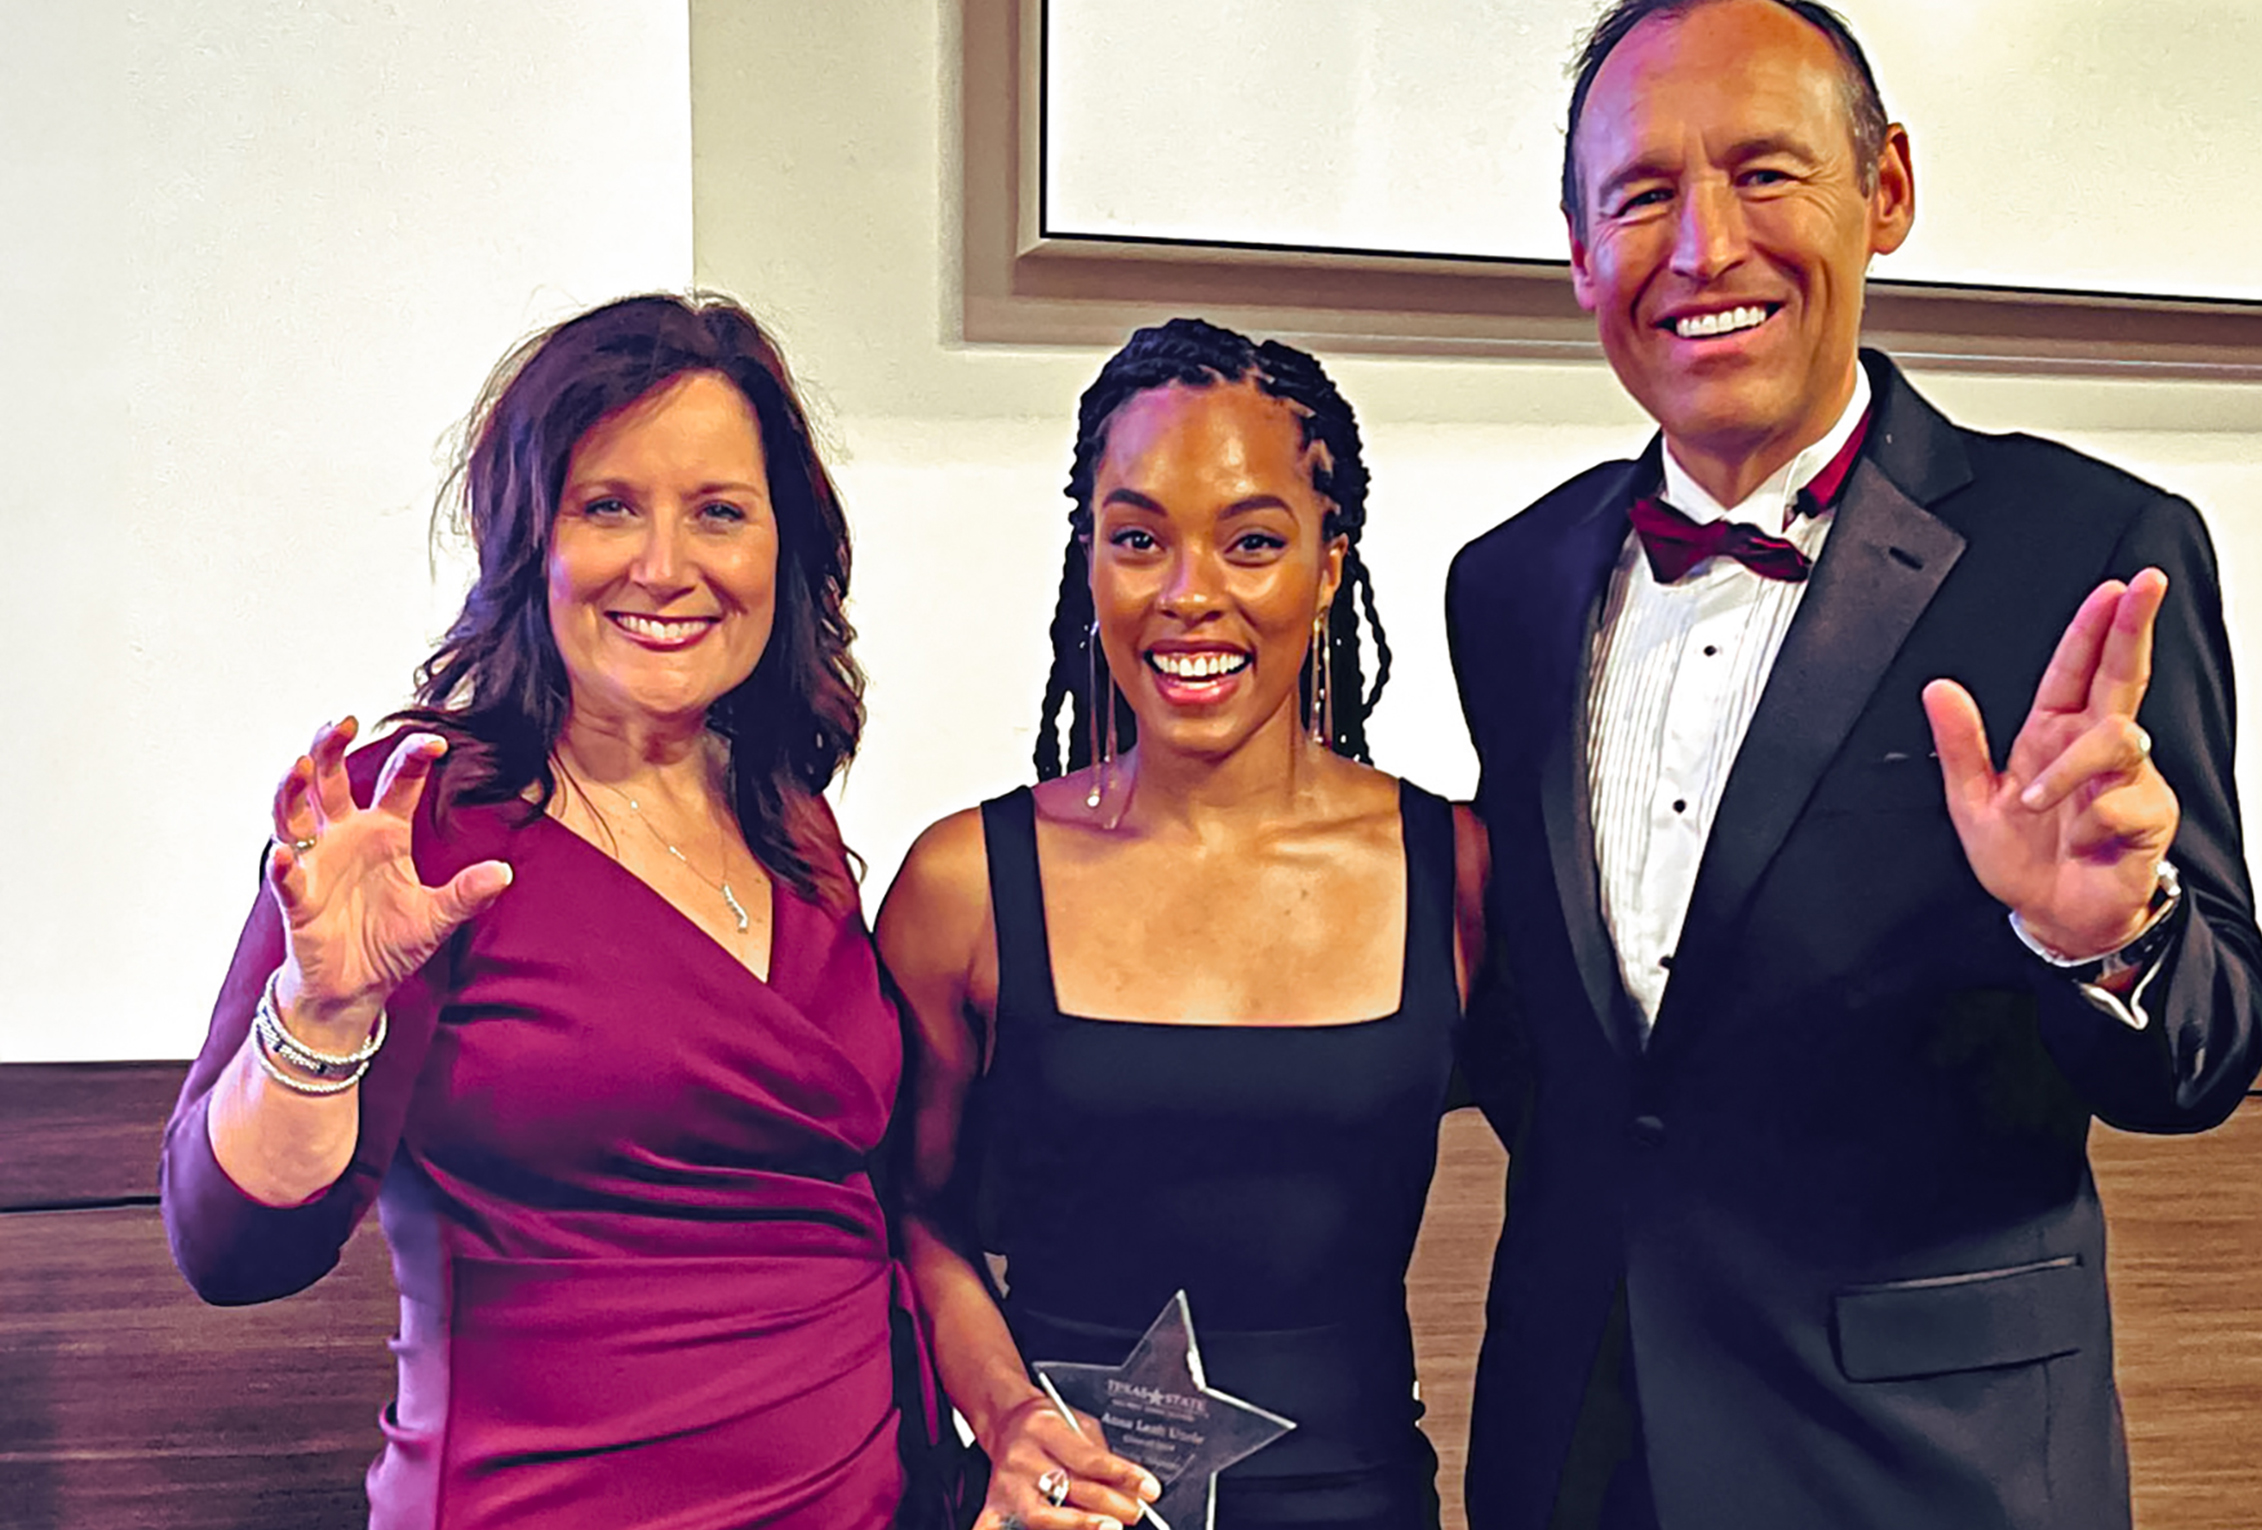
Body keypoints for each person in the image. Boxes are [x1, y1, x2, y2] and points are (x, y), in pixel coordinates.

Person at [1444, 4, 2262, 1528]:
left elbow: (2205, 1052)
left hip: (1929, 1464)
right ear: (1576, 251)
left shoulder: (2087, 551)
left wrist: (2101, 938)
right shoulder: (1504, 585)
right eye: (1641, 197)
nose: (1704, 248)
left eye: (1767, 173)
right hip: (1578, 1447)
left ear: (1886, 186)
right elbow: (1551, 1041)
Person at [160, 293, 934, 1528]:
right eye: (609, 505)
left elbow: (849, 1222)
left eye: (720, 513)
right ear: (530, 539)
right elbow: (229, 1251)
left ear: (781, 550)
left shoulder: (798, 831)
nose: (666, 567)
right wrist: (323, 1011)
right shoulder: (415, 820)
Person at [878, 318, 1489, 1530]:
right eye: (1138, 539)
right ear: (1090, 563)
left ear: (1327, 565)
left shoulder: (1458, 871)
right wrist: (1007, 1420)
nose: (1188, 593)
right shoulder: (966, 884)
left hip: (1359, 1505)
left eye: (1252, 541)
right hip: (1059, 1508)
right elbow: (906, 1211)